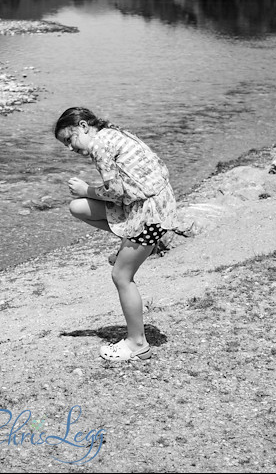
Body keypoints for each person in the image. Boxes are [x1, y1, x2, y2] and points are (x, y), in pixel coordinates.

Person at [54, 107, 189, 362]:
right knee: (78, 208)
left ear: (83, 126)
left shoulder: (99, 146)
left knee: (121, 275)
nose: (70, 149)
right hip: (154, 203)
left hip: (150, 212)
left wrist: (87, 188)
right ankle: (146, 243)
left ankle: (137, 344)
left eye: (69, 140)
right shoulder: (112, 132)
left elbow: (115, 193)